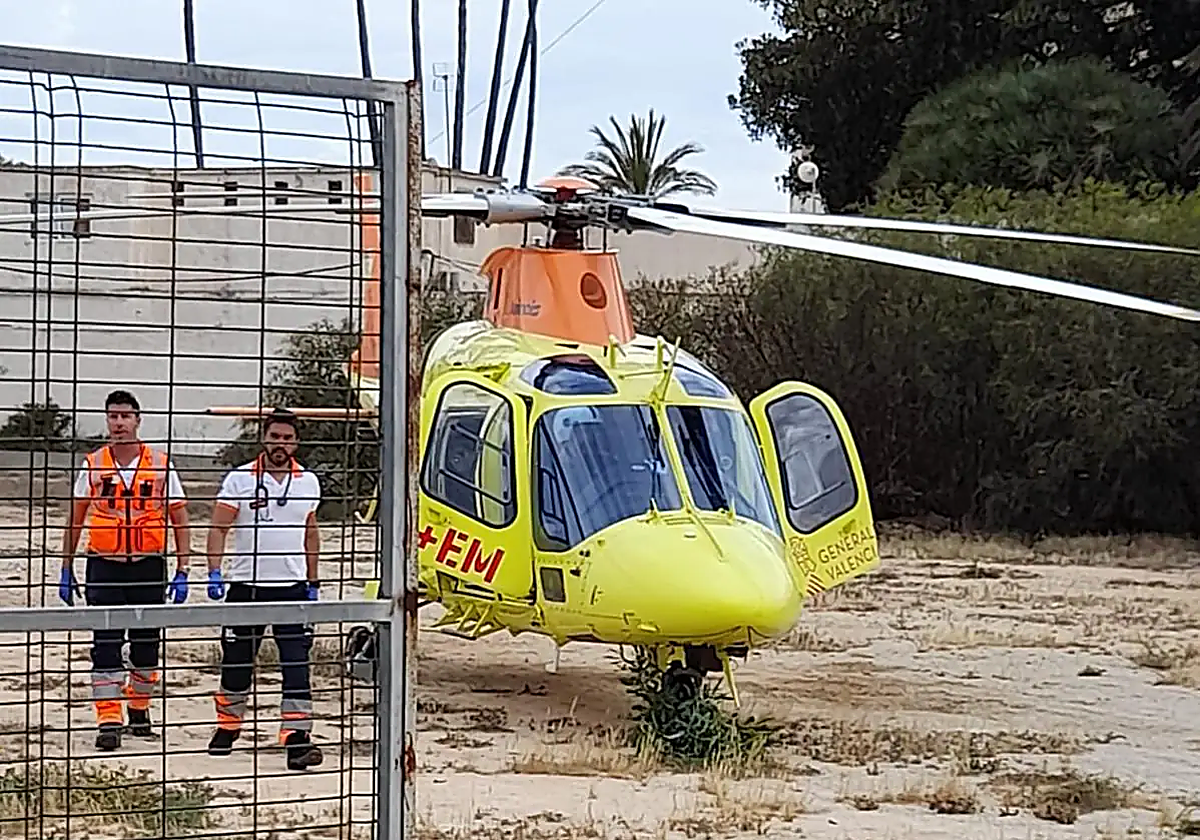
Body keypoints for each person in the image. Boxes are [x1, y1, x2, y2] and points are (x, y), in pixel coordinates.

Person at [60, 389, 192, 751]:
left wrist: (183, 568)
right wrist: (66, 566)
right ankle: (108, 718)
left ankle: (139, 708)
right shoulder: (94, 463)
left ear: (138, 419)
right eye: (112, 416)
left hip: (148, 565)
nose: (118, 423)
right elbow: (76, 517)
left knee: (147, 645)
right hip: (104, 565)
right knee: (105, 644)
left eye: (125, 416)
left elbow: (180, 516)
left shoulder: (161, 464)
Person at [205, 408, 323, 771]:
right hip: (246, 587)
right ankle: (228, 726)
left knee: (296, 665)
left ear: (296, 442)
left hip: (292, 588)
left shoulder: (308, 482)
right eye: (275, 438)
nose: (280, 445)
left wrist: (313, 581)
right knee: (238, 663)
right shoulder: (239, 479)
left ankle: (296, 738)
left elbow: (310, 532)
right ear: (264, 439)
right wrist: (213, 572)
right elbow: (219, 527)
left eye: (287, 439)